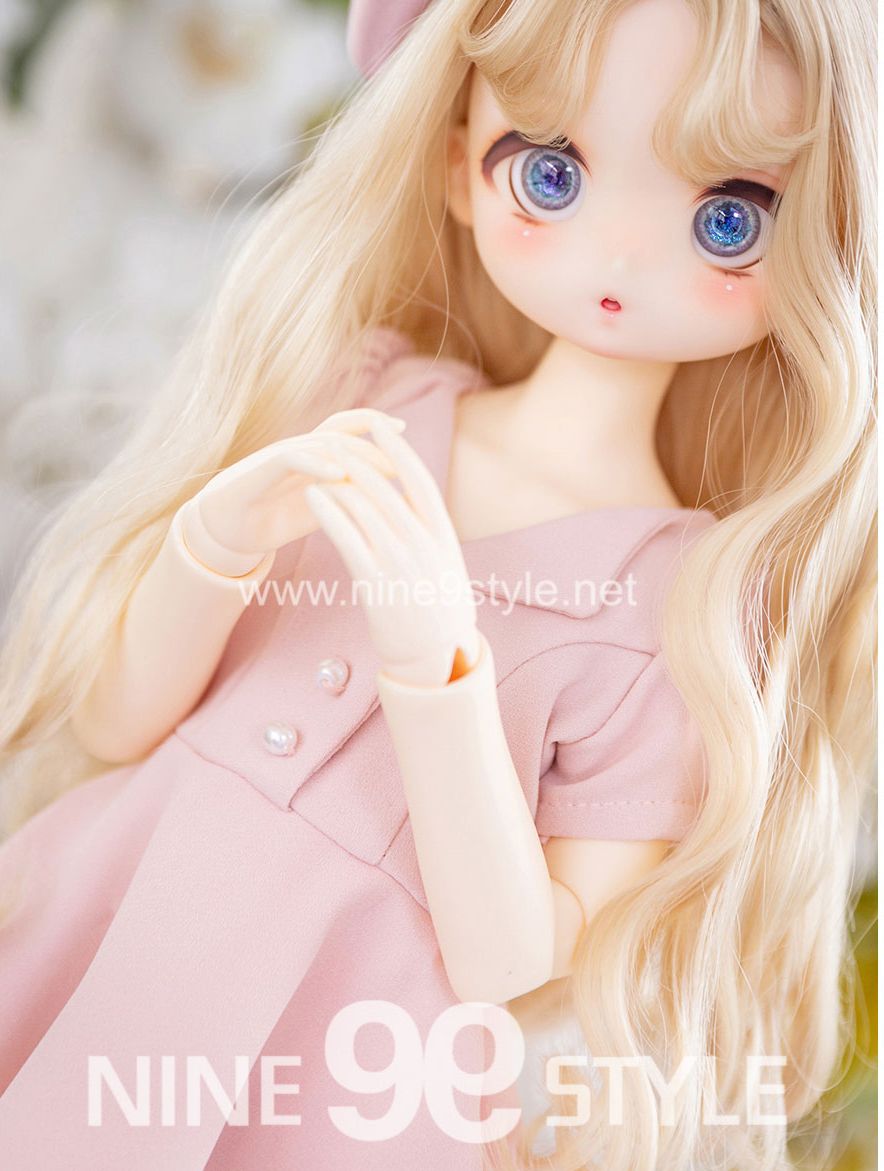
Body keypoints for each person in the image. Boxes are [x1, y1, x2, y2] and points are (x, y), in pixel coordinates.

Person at [0, 0, 875, 1168]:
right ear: (461, 165)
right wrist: (211, 541)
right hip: (110, 913)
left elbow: (517, 958)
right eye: (551, 173)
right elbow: (117, 723)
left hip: (334, 1054)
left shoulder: (674, 614)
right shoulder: (365, 401)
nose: (619, 256)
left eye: (728, 218)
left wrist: (439, 671)